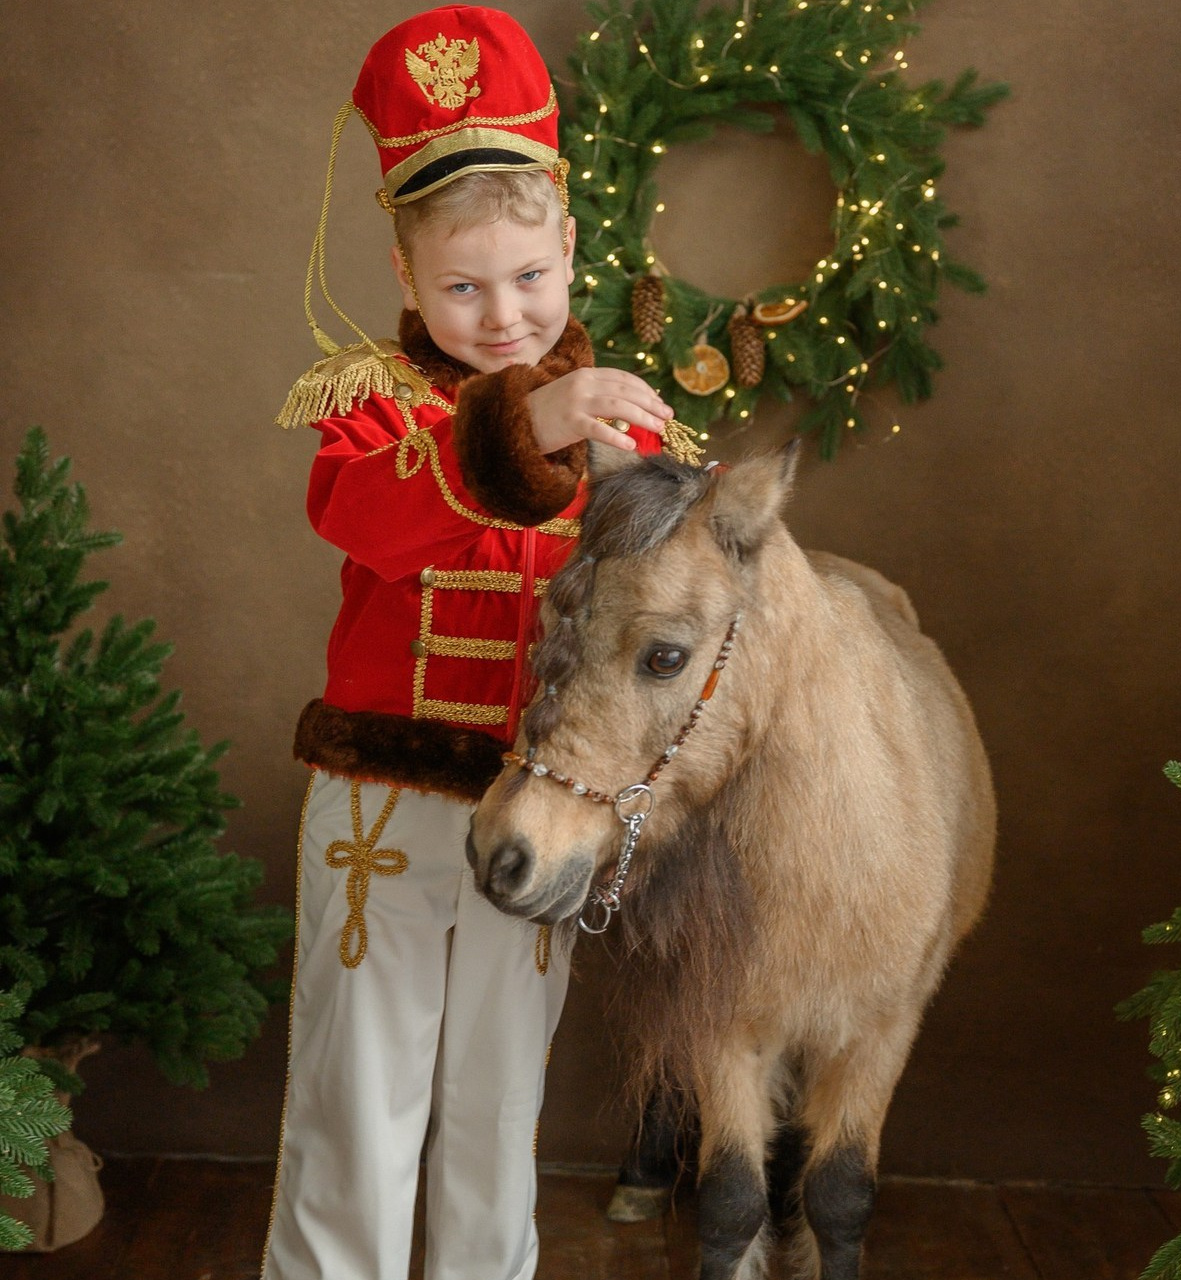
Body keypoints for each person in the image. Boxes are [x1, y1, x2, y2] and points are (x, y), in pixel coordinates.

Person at [260, 8, 697, 1278]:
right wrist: (537, 417)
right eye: (459, 286)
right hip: (378, 802)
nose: (499, 313)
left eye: (526, 276)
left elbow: (670, 615)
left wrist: (642, 499)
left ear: (569, 245)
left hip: (539, 805)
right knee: (357, 1090)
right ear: (405, 278)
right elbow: (364, 515)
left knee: (497, 1103)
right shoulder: (366, 407)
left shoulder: (624, 422)